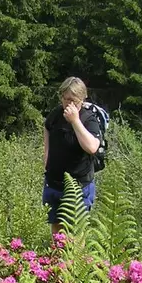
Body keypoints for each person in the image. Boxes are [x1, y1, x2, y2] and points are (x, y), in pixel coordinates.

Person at [43, 77, 102, 234]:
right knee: (56, 227)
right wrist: (47, 166)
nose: (69, 104)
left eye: (73, 100)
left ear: (82, 99)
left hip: (79, 186)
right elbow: (47, 146)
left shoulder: (89, 119)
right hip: (54, 183)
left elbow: (91, 147)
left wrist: (75, 121)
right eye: (65, 99)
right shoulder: (54, 116)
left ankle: (74, 259)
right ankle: (55, 258)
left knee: (76, 231)